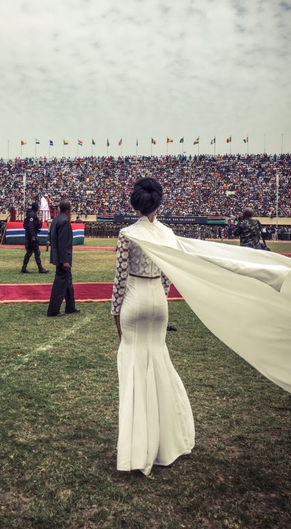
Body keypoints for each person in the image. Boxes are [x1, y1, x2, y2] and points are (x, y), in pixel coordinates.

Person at [111, 178, 194, 476]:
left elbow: (121, 277)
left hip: (134, 297)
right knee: (159, 363)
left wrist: (115, 312)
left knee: (134, 367)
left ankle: (136, 447)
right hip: (158, 298)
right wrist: (162, 297)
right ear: (158, 203)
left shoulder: (127, 234)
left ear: (135, 203)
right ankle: (166, 442)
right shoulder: (167, 234)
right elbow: (169, 277)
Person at [47, 200, 80, 317]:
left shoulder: (56, 220)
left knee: (68, 282)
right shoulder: (65, 221)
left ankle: (70, 307)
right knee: (60, 283)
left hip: (58, 256)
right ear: (69, 209)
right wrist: (65, 261)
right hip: (63, 259)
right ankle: (53, 311)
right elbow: (63, 243)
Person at [21, 202, 48, 274]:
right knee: (36, 252)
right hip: (31, 236)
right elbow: (31, 226)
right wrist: (33, 236)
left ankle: (24, 267)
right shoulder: (32, 215)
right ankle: (40, 268)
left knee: (29, 252)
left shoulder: (31, 214)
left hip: (30, 235)